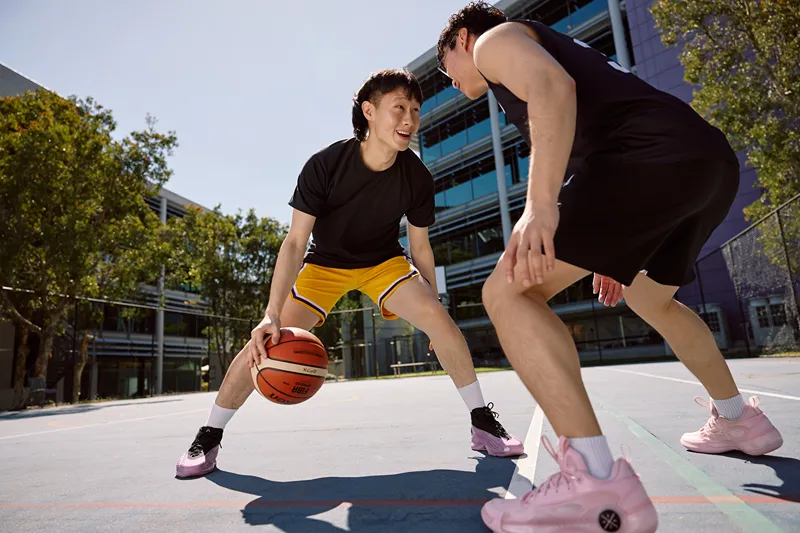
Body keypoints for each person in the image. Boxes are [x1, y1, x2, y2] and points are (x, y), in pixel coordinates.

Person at [436, 3, 783, 531]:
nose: (451, 80)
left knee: (508, 293)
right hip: (705, 162)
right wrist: (610, 248)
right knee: (652, 299)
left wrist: (540, 203)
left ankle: (594, 483)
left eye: (446, 68)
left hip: (646, 157)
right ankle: (738, 420)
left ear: (462, 39)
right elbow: (578, 130)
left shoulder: (493, 42)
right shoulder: (546, 52)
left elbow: (555, 90)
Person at [176, 68, 523, 479]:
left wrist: (434, 308)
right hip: (325, 265)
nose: (409, 119)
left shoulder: (416, 176)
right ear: (369, 111)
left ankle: (482, 423)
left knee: (439, 318)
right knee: (266, 343)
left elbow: (420, 247)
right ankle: (208, 437)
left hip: (384, 263)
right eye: (399, 108)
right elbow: (293, 243)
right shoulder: (325, 165)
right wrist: (270, 313)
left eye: (415, 109)